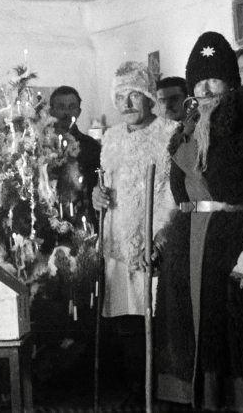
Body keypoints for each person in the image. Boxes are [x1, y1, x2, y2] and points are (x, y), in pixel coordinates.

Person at [154, 32, 243, 412]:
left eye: (214, 78)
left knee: (242, 357)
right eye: (198, 81)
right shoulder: (184, 133)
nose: (205, 88)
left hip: (236, 255)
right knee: (201, 351)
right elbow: (181, 198)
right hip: (192, 256)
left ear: (232, 81)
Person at [92, 61, 178, 401]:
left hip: (154, 243)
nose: (127, 104)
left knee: (156, 324)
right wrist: (97, 196)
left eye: (135, 95)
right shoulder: (111, 137)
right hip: (117, 246)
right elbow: (105, 185)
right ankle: (134, 393)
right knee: (127, 326)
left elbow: (176, 192)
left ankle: (159, 396)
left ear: (149, 98)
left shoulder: (170, 133)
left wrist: (161, 237)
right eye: (120, 97)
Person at [49, 85, 101, 223]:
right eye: (61, 107)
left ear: (78, 111)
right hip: (47, 219)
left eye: (72, 107)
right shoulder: (42, 146)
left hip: (81, 221)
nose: (66, 112)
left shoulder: (91, 147)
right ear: (51, 110)